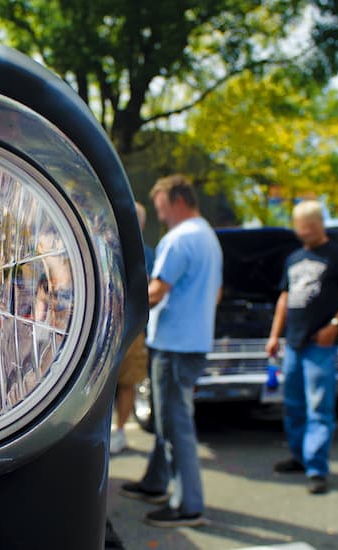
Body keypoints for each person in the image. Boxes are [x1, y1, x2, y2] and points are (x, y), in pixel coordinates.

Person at [119, 174, 222, 528]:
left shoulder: (179, 240)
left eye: (162, 207)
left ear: (178, 200)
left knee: (176, 426)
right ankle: (155, 483)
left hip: (174, 346)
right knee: (168, 420)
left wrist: (116, 305)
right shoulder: (207, 236)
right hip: (192, 343)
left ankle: (188, 505)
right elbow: (216, 293)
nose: (161, 216)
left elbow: (156, 291)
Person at [265, 200, 338, 495]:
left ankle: (317, 467)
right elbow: (284, 298)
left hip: (321, 344)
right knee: (293, 403)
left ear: (320, 224)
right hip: (293, 343)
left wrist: (335, 325)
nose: (304, 234)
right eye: (300, 229)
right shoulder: (294, 257)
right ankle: (298, 456)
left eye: (308, 229)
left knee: (320, 406)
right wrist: (274, 335)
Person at [110, 202, 155, 454]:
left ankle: (119, 431)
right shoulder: (110, 245)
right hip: (114, 325)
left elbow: (150, 289)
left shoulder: (146, 252)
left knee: (126, 381)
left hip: (132, 326)